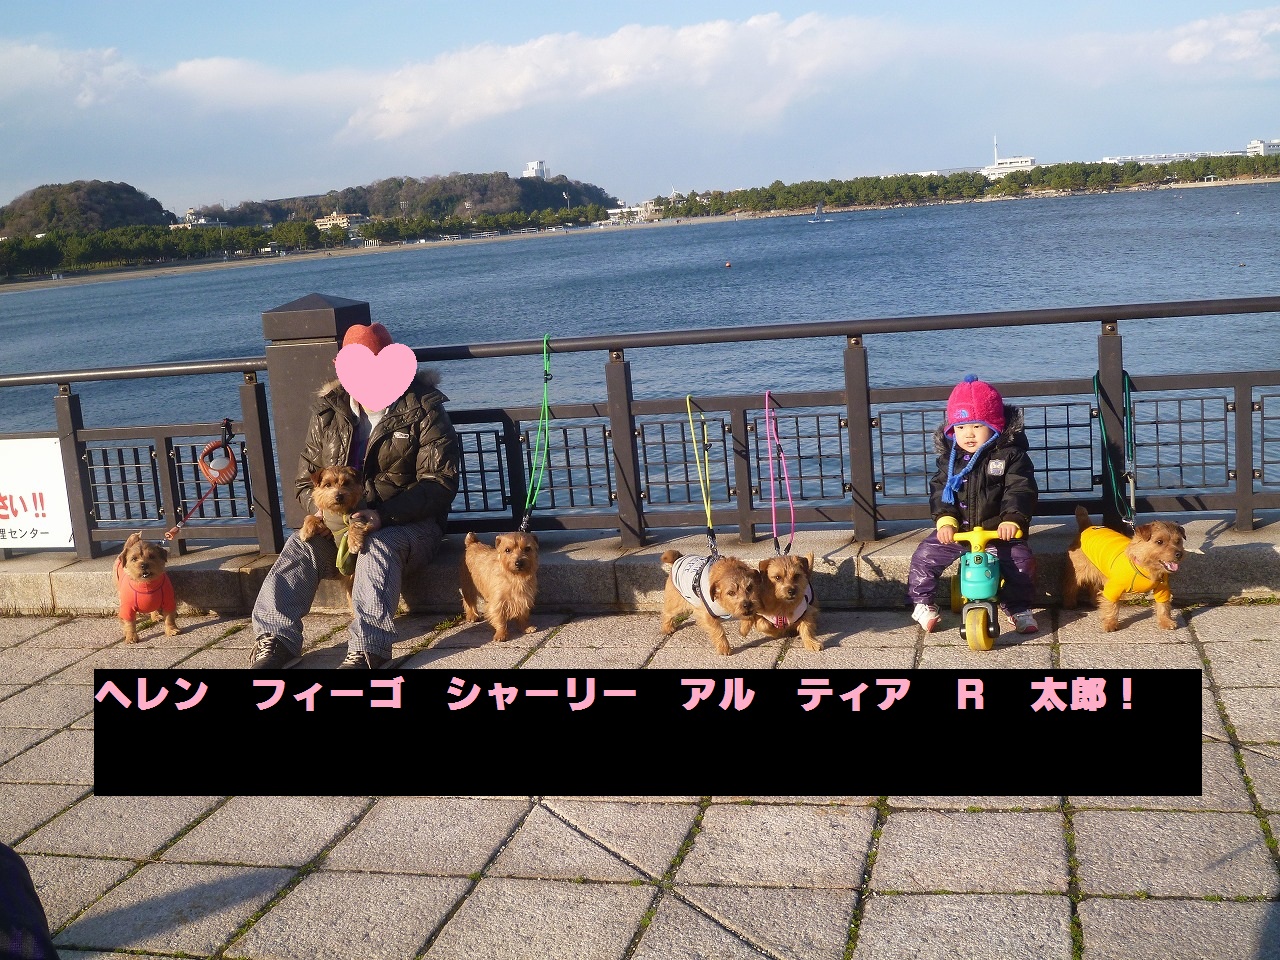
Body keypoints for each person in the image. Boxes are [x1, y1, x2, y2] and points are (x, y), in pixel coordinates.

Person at [250, 321, 461, 669]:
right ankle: (275, 639)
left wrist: (382, 515)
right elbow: (305, 481)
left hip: (411, 526)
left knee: (377, 544)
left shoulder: (423, 408)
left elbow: (440, 482)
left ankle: (368, 647)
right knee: (300, 545)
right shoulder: (328, 412)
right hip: (340, 524)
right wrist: (321, 512)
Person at [908, 375, 1039, 634]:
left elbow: (1020, 488)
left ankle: (1018, 607)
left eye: (977, 426)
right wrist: (946, 520)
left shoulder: (1011, 456)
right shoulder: (950, 459)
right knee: (924, 557)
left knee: (1021, 563)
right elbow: (940, 490)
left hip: (998, 532)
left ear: (995, 426)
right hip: (959, 531)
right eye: (960, 427)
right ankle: (922, 602)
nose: (968, 434)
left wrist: (1012, 519)